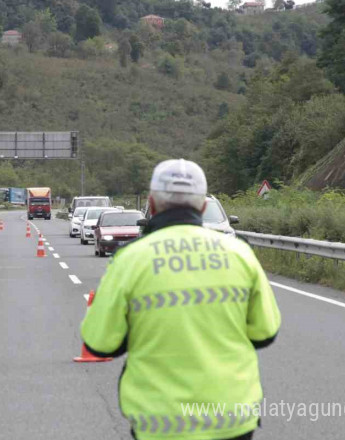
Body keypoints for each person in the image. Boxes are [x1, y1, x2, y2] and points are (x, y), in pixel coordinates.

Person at [81, 159, 281, 440]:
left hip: (160, 424)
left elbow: (99, 343)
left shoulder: (129, 259)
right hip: (231, 420)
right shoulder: (239, 254)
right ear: (202, 206)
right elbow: (265, 333)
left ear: (151, 204)